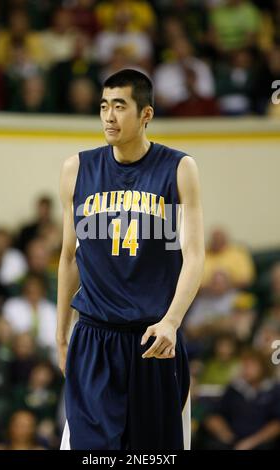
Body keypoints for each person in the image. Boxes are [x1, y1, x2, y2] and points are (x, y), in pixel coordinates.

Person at [56, 68, 205, 450]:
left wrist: (172, 321)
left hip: (154, 339)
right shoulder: (77, 168)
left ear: (146, 114)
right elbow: (69, 258)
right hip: (94, 337)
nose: (109, 116)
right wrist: (60, 335)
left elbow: (195, 256)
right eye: (104, 106)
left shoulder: (178, 168)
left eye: (120, 106)